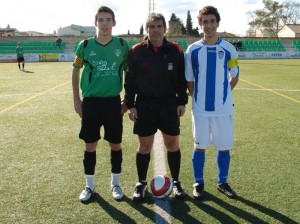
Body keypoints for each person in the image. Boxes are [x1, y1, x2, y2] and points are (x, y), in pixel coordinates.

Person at [124, 13, 188, 201]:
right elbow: (130, 81)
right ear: (146, 29)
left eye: (159, 26)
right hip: (145, 105)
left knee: (173, 144)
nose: (156, 30)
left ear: (165, 28)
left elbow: (181, 79)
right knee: (144, 146)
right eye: (152, 27)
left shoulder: (175, 50)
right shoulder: (136, 51)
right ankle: (141, 183)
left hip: (168, 104)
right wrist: (131, 105)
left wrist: (182, 101)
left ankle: (176, 181)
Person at [72, 6, 129, 202]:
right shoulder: (85, 46)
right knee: (90, 145)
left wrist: (128, 100)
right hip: (91, 103)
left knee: (115, 144)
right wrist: (76, 100)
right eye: (101, 20)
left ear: (114, 23)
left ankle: (116, 184)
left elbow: (130, 73)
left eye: (108, 20)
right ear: (95, 23)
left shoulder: (122, 45)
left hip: (113, 102)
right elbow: (75, 71)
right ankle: (89, 186)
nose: (104, 24)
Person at [184, 6, 240, 200]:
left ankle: (222, 182)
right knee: (199, 146)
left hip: (223, 110)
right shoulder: (192, 50)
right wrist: (197, 98)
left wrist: (224, 96)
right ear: (200, 25)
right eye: (205, 22)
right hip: (200, 110)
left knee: (224, 147)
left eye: (212, 21)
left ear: (217, 23)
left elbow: (235, 76)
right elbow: (189, 80)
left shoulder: (229, 49)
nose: (209, 26)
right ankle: (198, 183)